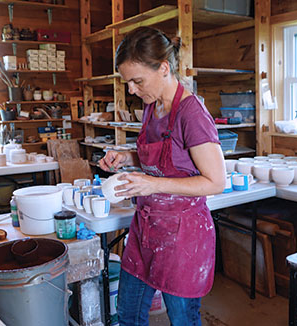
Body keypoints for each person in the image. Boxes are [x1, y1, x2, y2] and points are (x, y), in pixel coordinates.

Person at [98, 26, 226, 325]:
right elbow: (166, 159)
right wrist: (127, 157)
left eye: (137, 81)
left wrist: (151, 183)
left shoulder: (191, 114)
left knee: (182, 319)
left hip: (182, 234)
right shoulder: (151, 106)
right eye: (127, 82)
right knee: (128, 313)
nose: (131, 90)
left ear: (164, 68)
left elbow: (216, 181)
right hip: (146, 227)